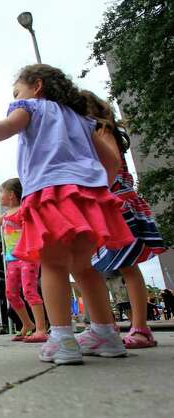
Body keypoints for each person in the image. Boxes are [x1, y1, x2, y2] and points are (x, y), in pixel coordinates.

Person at [0, 63, 135, 365]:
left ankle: (63, 338)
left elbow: (6, 126)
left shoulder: (32, 107)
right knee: (85, 267)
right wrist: (95, 181)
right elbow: (111, 160)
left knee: (52, 264)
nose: (15, 97)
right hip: (88, 196)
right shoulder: (82, 119)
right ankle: (106, 335)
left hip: (51, 191)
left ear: (36, 86)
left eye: (17, 90)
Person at [82, 90, 168, 349]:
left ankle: (141, 327)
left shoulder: (101, 131)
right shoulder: (95, 134)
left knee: (128, 267)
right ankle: (104, 327)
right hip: (106, 207)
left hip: (116, 206)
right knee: (98, 268)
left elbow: (111, 164)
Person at [0, 178, 47, 342]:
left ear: (11, 195)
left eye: (1, 191)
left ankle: (41, 328)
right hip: (11, 260)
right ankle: (27, 324)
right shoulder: (6, 215)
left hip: (27, 257)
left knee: (29, 291)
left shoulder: (23, 210)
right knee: (11, 293)